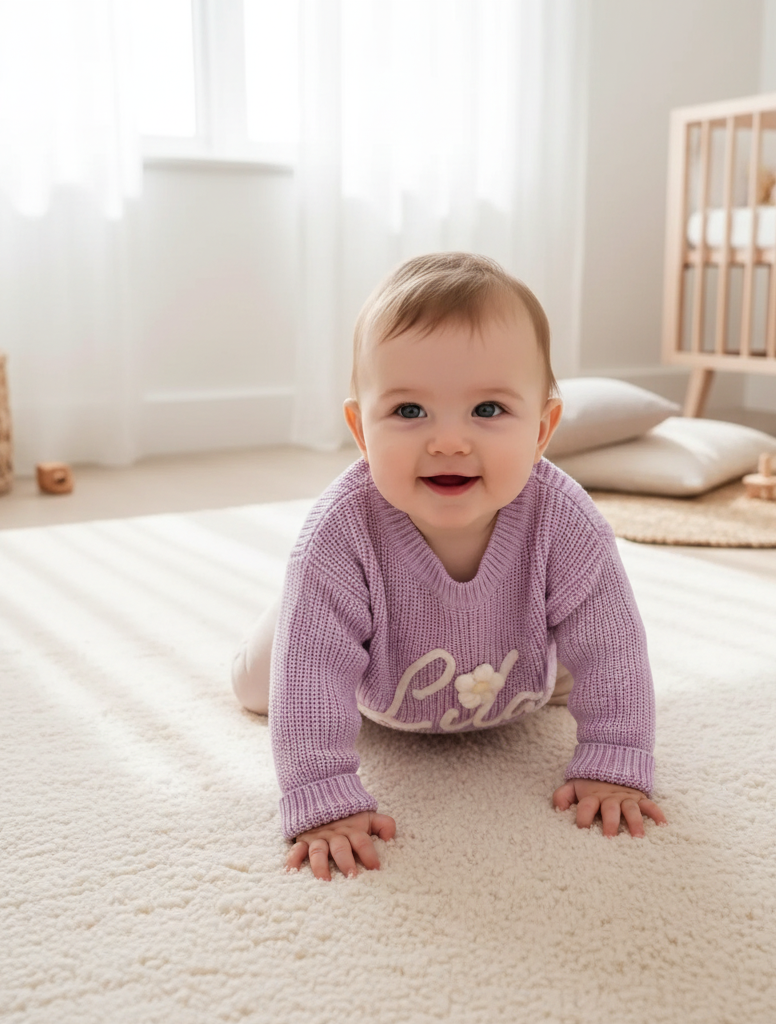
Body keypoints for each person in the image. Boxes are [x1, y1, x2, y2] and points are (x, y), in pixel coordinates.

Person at [231, 252, 666, 881]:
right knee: (266, 685)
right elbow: (310, 685)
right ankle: (293, 612)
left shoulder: (568, 524)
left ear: (543, 430)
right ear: (361, 428)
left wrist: (613, 758)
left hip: (512, 662)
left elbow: (614, 647)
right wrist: (321, 797)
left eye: (488, 410)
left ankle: (537, 653)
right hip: (371, 672)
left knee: (584, 659)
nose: (449, 441)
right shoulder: (339, 537)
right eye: (409, 412)